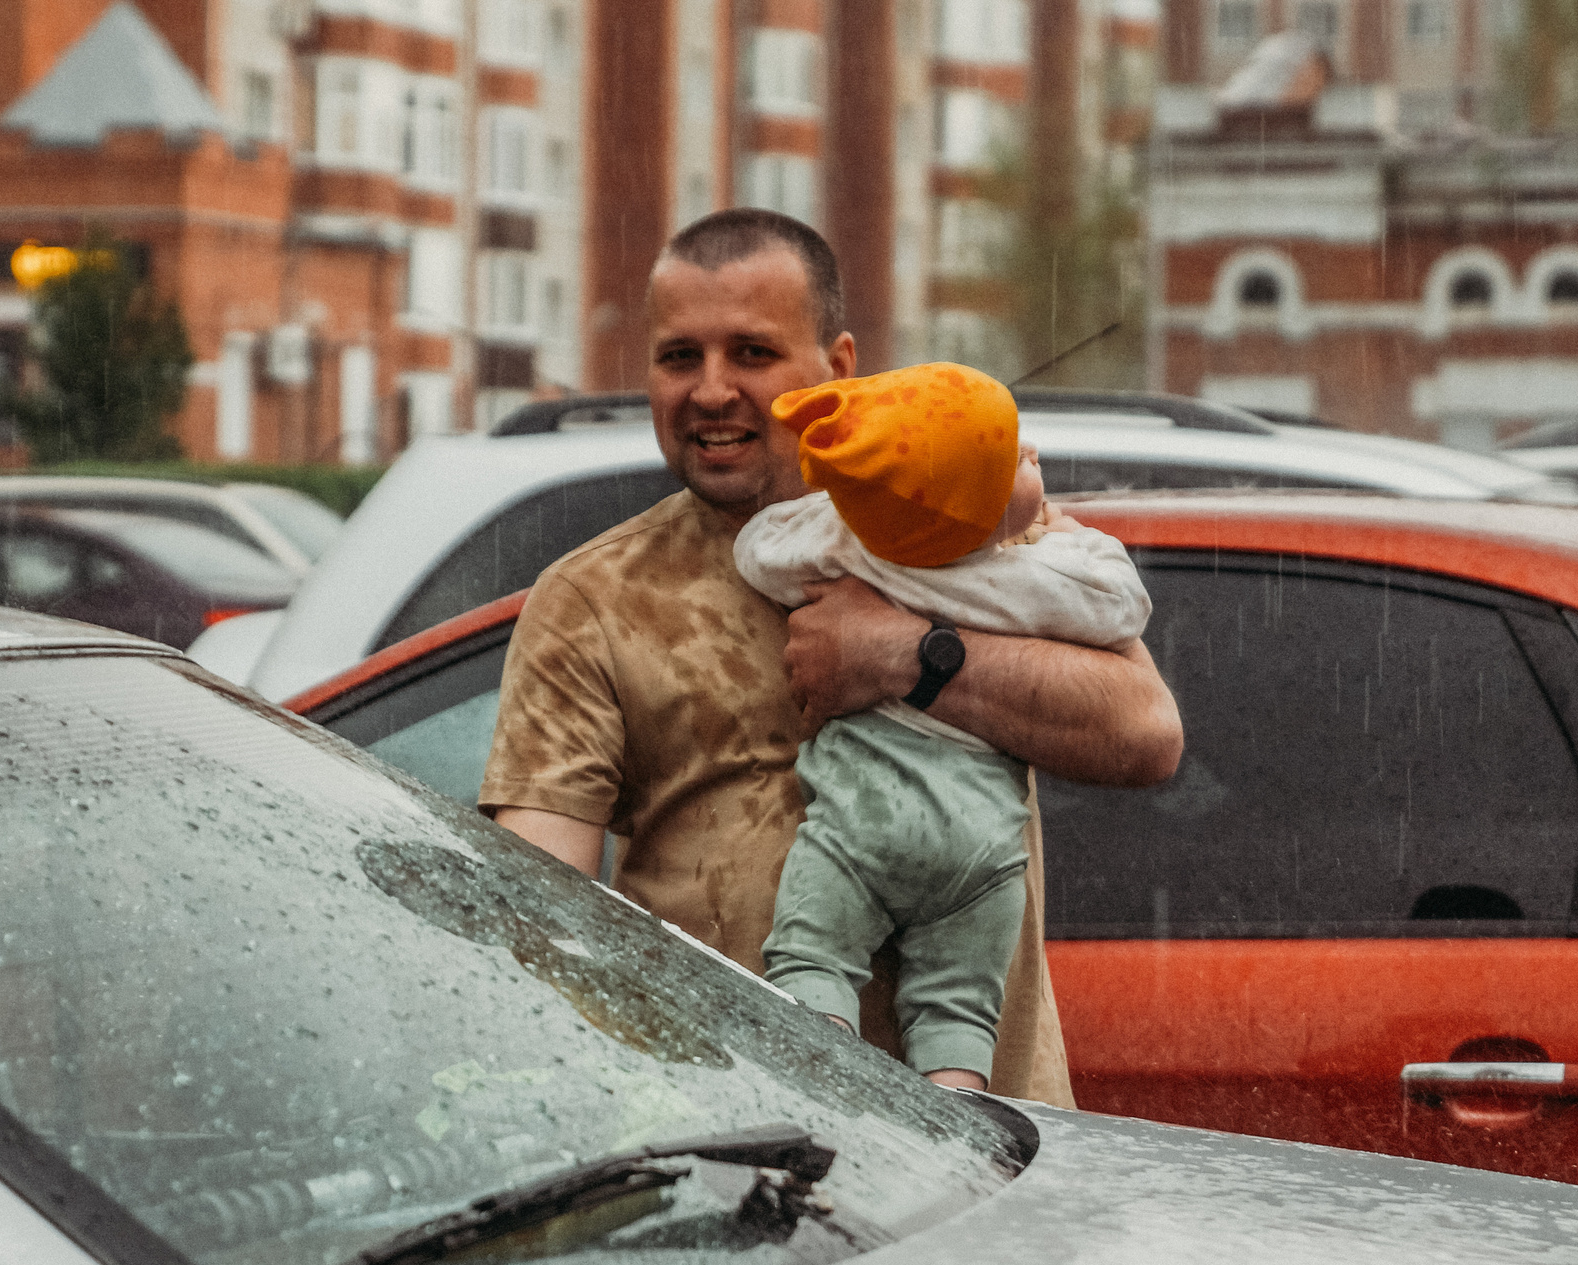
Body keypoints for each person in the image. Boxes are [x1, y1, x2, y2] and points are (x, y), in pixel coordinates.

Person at [477, 209, 1181, 1104]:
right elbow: (544, 924)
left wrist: (912, 657)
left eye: (752, 353)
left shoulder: (971, 530)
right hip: (740, 1141)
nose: (711, 390)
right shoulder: (594, 599)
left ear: (838, 369)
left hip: (996, 1143)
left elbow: (1145, 734)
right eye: (679, 357)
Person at [734, 364, 1150, 1091]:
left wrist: (848, 507)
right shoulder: (1031, 579)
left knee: (810, 959)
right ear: (981, 511)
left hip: (860, 826)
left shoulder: (844, 551)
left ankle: (824, 1084)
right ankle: (955, 1112)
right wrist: (1065, 536)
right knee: (957, 1009)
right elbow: (1121, 604)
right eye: (1014, 458)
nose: (1033, 456)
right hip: (979, 845)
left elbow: (757, 548)